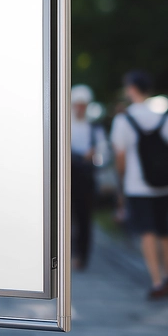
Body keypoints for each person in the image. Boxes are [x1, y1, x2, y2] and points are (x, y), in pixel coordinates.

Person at [111, 70, 168, 299]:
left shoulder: (123, 120)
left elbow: (120, 156)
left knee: (147, 232)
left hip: (137, 185)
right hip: (165, 185)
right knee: (165, 230)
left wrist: (120, 183)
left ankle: (157, 280)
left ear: (131, 89)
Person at [71, 84, 108, 271]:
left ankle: (81, 256)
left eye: (82, 105)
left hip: (85, 178)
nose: (79, 108)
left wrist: (93, 155)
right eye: (76, 104)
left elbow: (103, 156)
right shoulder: (64, 125)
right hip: (66, 179)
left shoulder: (94, 128)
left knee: (84, 219)